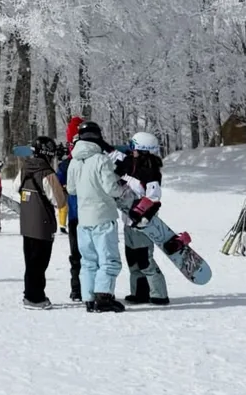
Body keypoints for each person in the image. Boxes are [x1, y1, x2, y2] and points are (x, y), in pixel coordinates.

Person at [67, 120, 126, 311]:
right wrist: (121, 186)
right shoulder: (101, 159)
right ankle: (104, 296)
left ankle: (89, 298)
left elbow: (72, 189)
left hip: (83, 220)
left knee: (88, 260)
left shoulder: (74, 162)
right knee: (108, 258)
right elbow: (111, 189)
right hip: (103, 216)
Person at [117, 130, 169, 305]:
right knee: (132, 259)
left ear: (144, 150)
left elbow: (153, 197)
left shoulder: (151, 172)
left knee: (144, 259)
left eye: (133, 147)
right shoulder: (131, 165)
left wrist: (143, 215)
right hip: (127, 221)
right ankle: (140, 292)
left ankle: (159, 294)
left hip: (142, 223)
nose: (131, 151)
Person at [17, 137, 66, 306]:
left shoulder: (24, 168)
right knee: (40, 262)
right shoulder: (47, 173)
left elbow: (17, 187)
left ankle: (29, 292)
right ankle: (35, 297)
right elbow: (59, 201)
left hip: (27, 221)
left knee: (30, 261)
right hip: (42, 223)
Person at [57, 116, 83, 300]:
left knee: (76, 255)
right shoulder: (99, 160)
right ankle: (99, 289)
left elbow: (57, 186)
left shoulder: (66, 164)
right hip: (96, 215)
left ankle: (77, 288)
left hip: (75, 215)